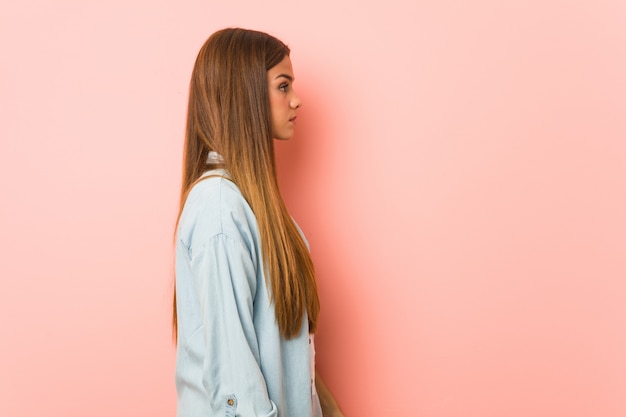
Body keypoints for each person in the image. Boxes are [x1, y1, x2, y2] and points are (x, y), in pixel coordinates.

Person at [173, 28, 344, 417]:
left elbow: (290, 349)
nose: (296, 101)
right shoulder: (219, 209)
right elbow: (237, 386)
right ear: (243, 94)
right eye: (283, 86)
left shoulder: (252, 205)